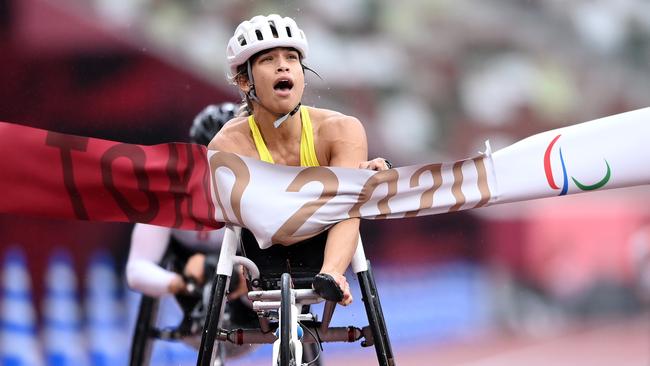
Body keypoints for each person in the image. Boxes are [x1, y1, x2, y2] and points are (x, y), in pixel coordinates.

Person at [209, 14, 390, 306]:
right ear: (244, 81)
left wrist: (361, 180)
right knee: (348, 192)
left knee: (352, 199)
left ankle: (332, 276)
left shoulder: (341, 129)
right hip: (263, 251)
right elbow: (250, 219)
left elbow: (347, 205)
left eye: (291, 58)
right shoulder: (228, 144)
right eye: (268, 59)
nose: (283, 65)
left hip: (326, 246)